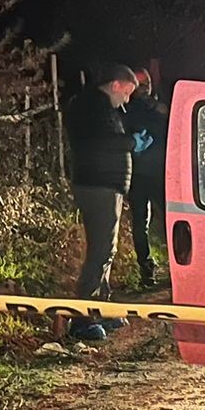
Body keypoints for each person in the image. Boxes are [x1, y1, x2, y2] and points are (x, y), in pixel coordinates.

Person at [63, 62, 141, 342]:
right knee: (101, 250)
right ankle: (82, 318)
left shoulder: (101, 107)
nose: (127, 100)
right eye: (127, 92)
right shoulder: (92, 106)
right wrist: (131, 143)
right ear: (116, 85)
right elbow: (99, 142)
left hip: (106, 184)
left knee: (106, 249)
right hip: (98, 185)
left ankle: (101, 307)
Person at [123, 70, 170, 292]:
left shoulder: (162, 109)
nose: (144, 88)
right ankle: (146, 269)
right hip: (140, 176)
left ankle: (176, 266)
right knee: (141, 224)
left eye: (146, 84)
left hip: (161, 175)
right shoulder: (129, 110)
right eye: (140, 85)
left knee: (170, 223)